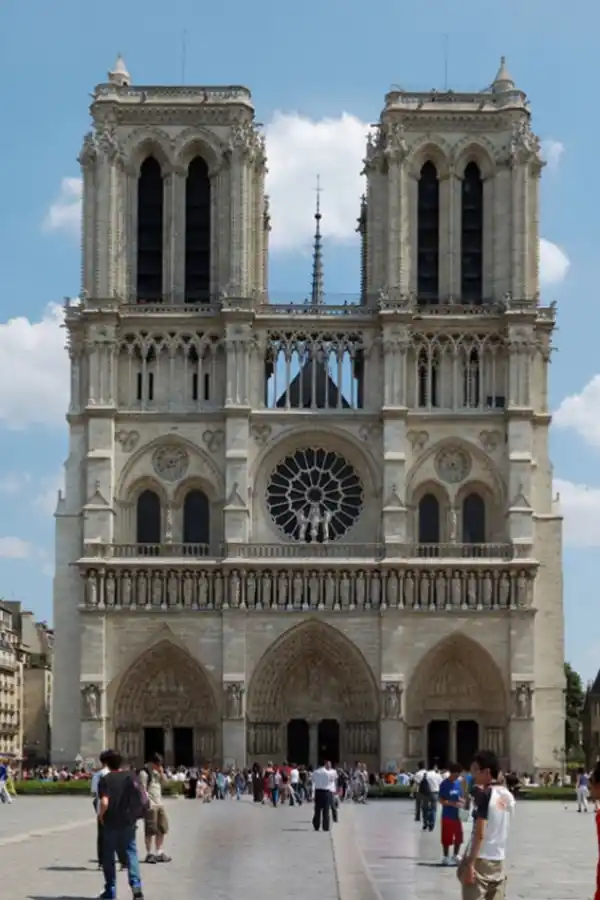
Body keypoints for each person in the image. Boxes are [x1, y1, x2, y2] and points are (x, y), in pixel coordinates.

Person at [457, 749, 515, 899]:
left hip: (480, 861)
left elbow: (480, 833)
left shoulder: (484, 796)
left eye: (476, 771)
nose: (472, 775)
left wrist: (470, 864)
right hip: (499, 860)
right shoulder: (508, 797)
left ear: (487, 772)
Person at [96, 748, 144, 900]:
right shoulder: (131, 776)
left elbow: (104, 802)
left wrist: (101, 816)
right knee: (131, 852)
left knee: (108, 855)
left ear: (107, 764)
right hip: (128, 820)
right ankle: (136, 887)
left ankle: (110, 890)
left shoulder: (106, 779)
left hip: (111, 821)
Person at [139, 753, 171, 863]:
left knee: (162, 828)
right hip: (151, 805)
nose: (159, 766)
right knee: (150, 830)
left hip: (160, 803)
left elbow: (166, 784)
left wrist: (162, 773)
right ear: (151, 763)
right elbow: (142, 790)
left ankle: (159, 852)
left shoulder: (158, 772)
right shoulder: (144, 773)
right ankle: (149, 853)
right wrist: (147, 803)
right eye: (157, 764)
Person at [439, 762, 465, 866]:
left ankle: (456, 855)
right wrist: (452, 803)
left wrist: (462, 801)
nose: (457, 777)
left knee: (459, 835)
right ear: (451, 773)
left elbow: (461, 796)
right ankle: (445, 856)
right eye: (456, 775)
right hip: (447, 815)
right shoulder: (444, 784)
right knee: (447, 836)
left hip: (457, 815)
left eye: (459, 775)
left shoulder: (458, 783)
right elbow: (441, 800)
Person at [420, 764, 442, 831]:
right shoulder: (437, 775)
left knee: (425, 809)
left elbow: (420, 783)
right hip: (435, 793)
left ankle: (425, 823)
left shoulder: (425, 774)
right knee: (433, 809)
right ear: (434, 768)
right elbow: (441, 784)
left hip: (426, 793)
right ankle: (431, 825)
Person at [312, 761, 332, 832]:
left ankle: (316, 825)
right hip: (326, 792)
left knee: (317, 809)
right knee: (326, 810)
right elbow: (331, 781)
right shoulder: (328, 773)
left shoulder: (315, 772)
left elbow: (313, 780)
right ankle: (325, 826)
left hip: (318, 792)